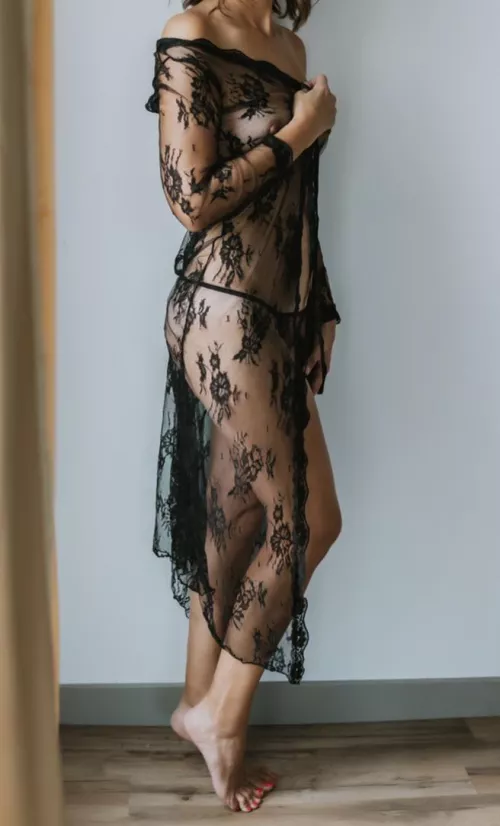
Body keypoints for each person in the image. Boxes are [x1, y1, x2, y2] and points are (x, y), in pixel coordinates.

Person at [146, 0, 342, 813]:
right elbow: (189, 199)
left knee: (237, 524)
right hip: (221, 312)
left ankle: (195, 703)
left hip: (274, 314)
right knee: (310, 522)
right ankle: (220, 720)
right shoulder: (192, 32)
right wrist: (299, 130)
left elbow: (294, 206)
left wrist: (319, 307)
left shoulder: (289, 47)